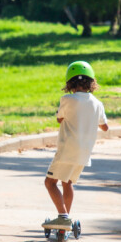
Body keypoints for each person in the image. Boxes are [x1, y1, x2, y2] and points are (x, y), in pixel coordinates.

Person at [42, 61, 109, 230]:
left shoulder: (67, 99)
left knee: (50, 183)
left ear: (70, 83)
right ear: (91, 82)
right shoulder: (97, 104)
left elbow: (59, 119)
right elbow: (105, 127)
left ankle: (63, 217)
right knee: (67, 182)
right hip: (84, 153)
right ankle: (64, 220)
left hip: (66, 150)